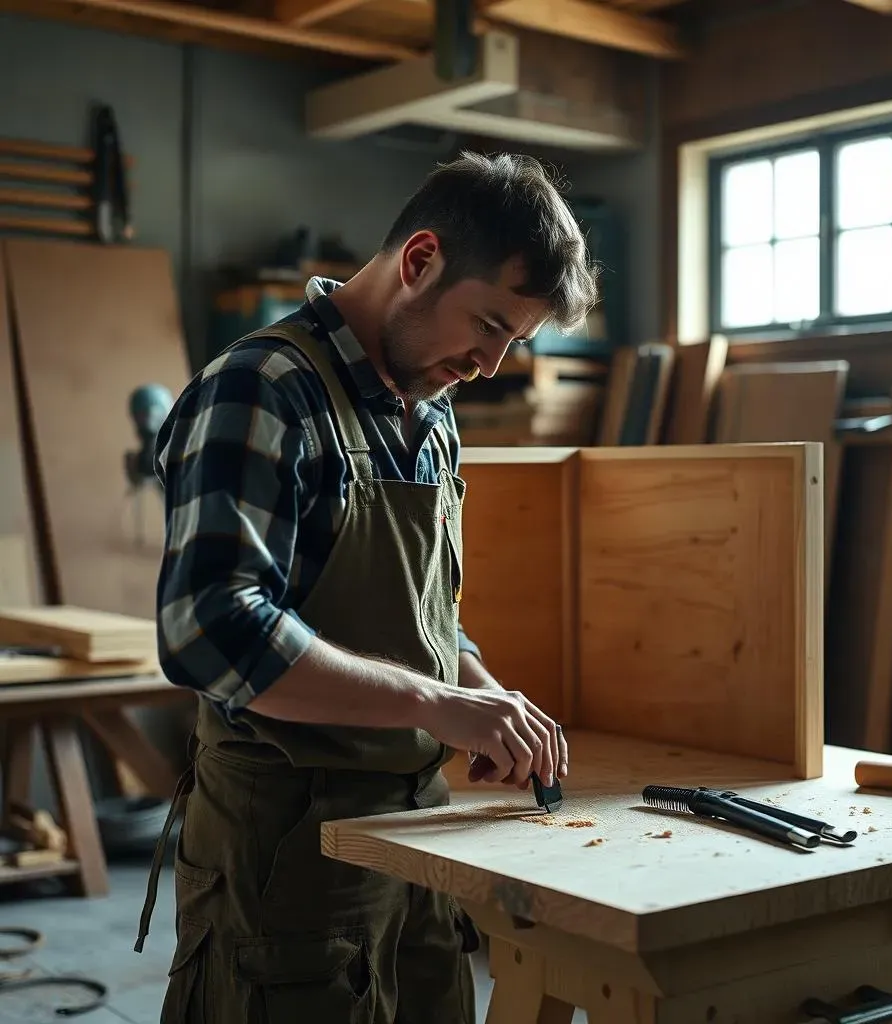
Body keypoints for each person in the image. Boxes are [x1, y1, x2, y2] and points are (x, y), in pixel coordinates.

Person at [135, 150, 600, 1024]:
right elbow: (211, 629)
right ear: (419, 261)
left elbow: (425, 618)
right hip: (287, 853)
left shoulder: (429, 414)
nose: (491, 364)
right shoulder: (263, 389)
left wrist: (485, 696)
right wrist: (437, 703)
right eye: (489, 324)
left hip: (420, 837)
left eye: (515, 342)